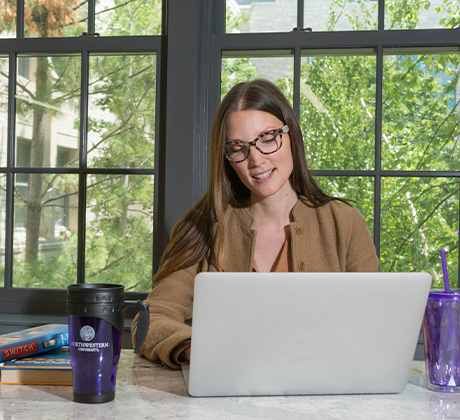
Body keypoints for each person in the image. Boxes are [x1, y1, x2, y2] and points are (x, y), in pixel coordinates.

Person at [132, 79, 379, 369]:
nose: (256, 160)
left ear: (291, 136)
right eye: (238, 148)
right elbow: (150, 319)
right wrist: (197, 350)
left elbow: (374, 322)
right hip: (227, 399)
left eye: (267, 138)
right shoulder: (202, 227)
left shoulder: (345, 223)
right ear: (227, 159)